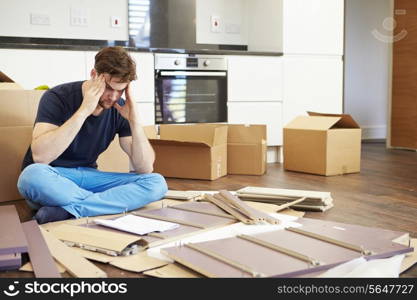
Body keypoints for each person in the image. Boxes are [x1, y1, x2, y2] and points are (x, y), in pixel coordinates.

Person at [17, 46, 168, 224]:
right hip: (54, 177)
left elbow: (145, 168)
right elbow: (41, 156)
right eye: (109, 88)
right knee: (31, 176)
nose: (113, 97)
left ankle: (70, 210)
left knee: (156, 183)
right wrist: (84, 110)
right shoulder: (57, 97)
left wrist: (134, 121)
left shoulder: (119, 106)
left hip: (90, 177)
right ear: (94, 74)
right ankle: (104, 203)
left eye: (121, 90)